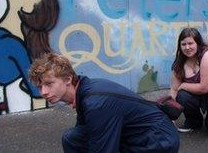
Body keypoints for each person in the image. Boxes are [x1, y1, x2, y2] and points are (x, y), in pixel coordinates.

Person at [29, 53, 179, 152]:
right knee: (72, 137)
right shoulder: (84, 90)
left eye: (49, 84)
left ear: (68, 79)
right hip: (140, 133)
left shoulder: (95, 103)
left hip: (157, 141)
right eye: (39, 87)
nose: (43, 92)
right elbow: (84, 128)